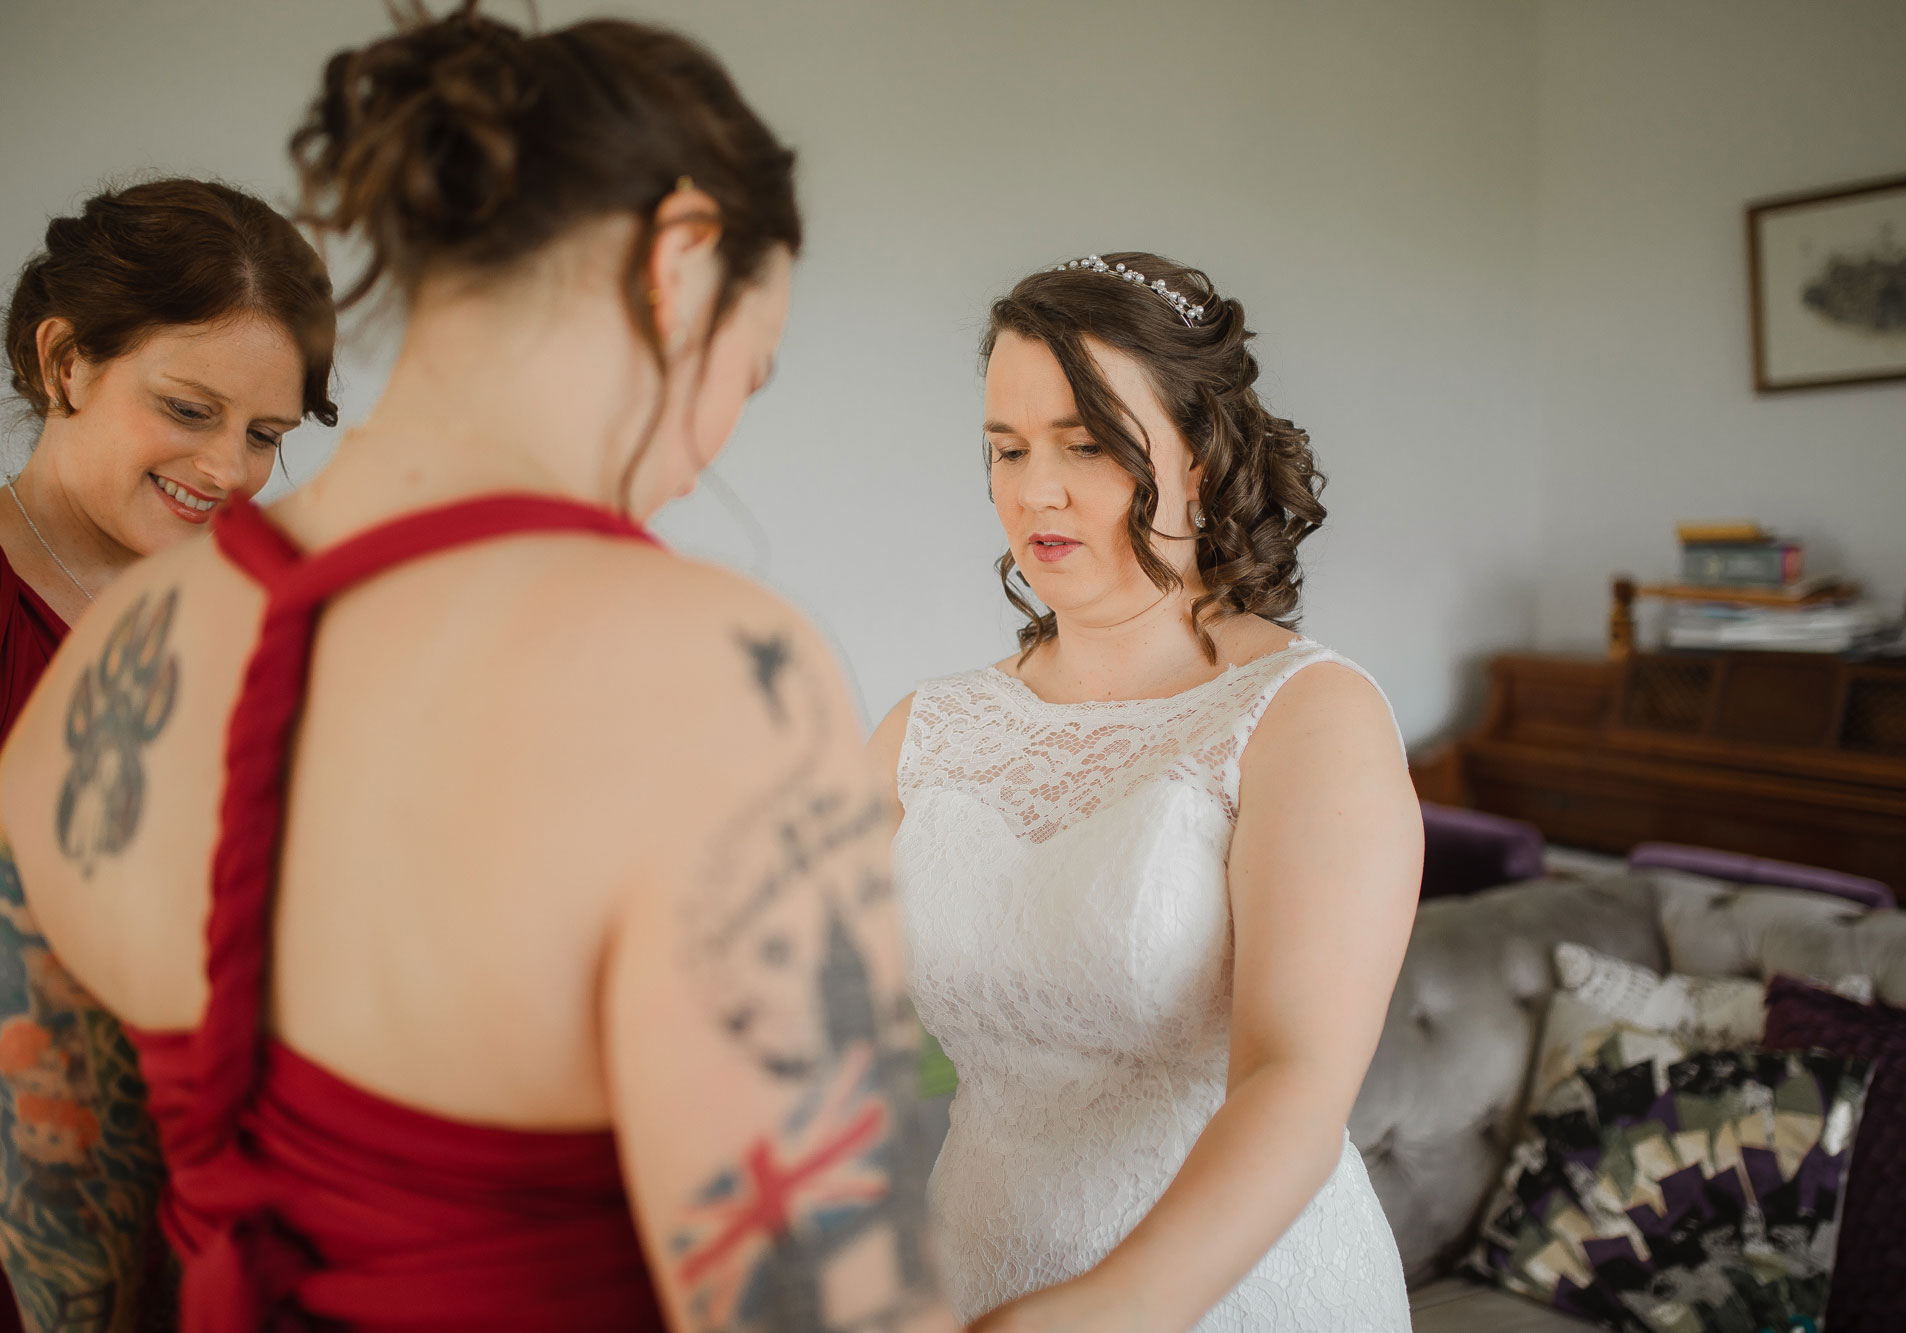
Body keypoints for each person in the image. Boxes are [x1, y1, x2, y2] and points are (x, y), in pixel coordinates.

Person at [0, 7, 954, 1331]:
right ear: (680, 258)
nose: (715, 439)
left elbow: (66, 1263)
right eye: (754, 365)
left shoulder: (109, 664)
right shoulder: (721, 675)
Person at [870, 253, 1421, 1331]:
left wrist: (1104, 1310)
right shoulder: (925, 729)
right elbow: (776, 1007)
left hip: (1226, 1295)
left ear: (1202, 455)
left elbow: (1294, 1080)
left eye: (1087, 444)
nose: (1036, 490)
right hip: (962, 1275)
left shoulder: (1305, 717)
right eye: (1007, 448)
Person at [0, 175, 337, 1330]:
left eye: (265, 436)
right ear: (65, 362)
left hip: (231, 1217)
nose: (230, 471)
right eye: (189, 410)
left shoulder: (268, 620)